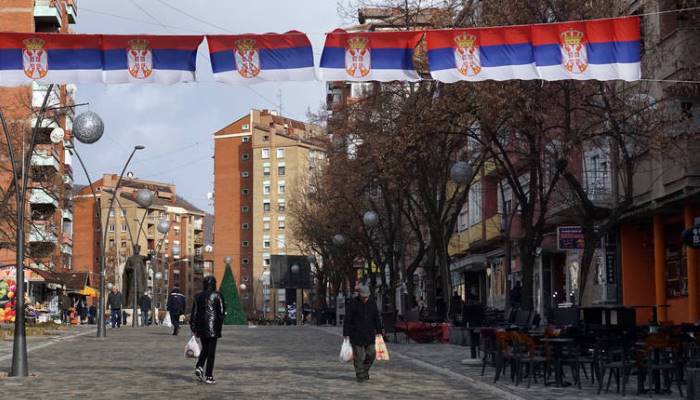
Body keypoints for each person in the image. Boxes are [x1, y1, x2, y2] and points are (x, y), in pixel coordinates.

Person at [343, 284, 384, 383]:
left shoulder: (372, 303)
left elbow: (376, 317)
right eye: (363, 297)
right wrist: (346, 333)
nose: (365, 298)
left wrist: (379, 330)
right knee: (359, 356)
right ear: (359, 295)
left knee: (371, 353)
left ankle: (364, 370)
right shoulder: (353, 303)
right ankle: (360, 374)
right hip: (356, 333)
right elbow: (347, 319)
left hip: (369, 333)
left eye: (367, 297)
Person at [190, 276, 225, 385]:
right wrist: (219, 323)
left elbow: (194, 313)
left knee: (205, 348)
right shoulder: (218, 295)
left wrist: (193, 327)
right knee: (211, 352)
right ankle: (209, 376)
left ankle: (199, 366)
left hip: (201, 326)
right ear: (214, 284)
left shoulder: (198, 296)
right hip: (213, 326)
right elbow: (222, 311)